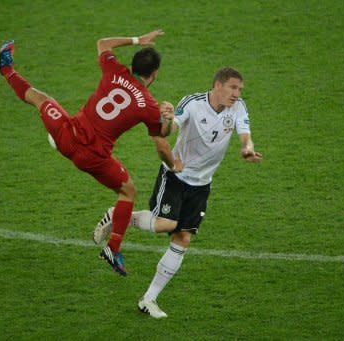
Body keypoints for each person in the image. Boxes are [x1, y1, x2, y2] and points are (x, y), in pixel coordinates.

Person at [0, 29, 182, 277]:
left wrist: (138, 40)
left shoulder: (114, 70)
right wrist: (168, 118)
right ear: (154, 74)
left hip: (66, 135)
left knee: (40, 99)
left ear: (132, 65)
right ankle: (113, 248)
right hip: (92, 157)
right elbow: (163, 134)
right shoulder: (147, 105)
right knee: (128, 192)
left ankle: (6, 69)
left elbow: (103, 43)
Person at [93, 67, 262, 317]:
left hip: (202, 183)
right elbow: (168, 131)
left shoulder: (238, 108)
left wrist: (247, 148)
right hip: (175, 175)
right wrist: (169, 118)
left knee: (183, 238)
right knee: (165, 223)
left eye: (240, 89)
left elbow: (245, 134)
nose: (237, 94)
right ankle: (118, 215)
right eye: (233, 88)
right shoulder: (193, 103)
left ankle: (148, 300)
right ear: (218, 85)